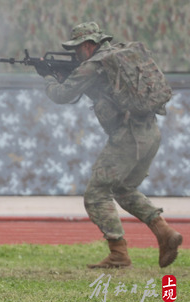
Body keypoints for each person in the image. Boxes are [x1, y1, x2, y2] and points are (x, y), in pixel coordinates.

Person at [43, 22, 182, 268]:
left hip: (128, 137)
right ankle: (165, 233)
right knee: (124, 189)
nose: (76, 54)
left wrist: (47, 79)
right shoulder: (120, 55)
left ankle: (118, 253)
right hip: (149, 133)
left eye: (78, 49)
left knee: (96, 195)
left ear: (88, 45)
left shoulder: (94, 65)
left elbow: (61, 95)